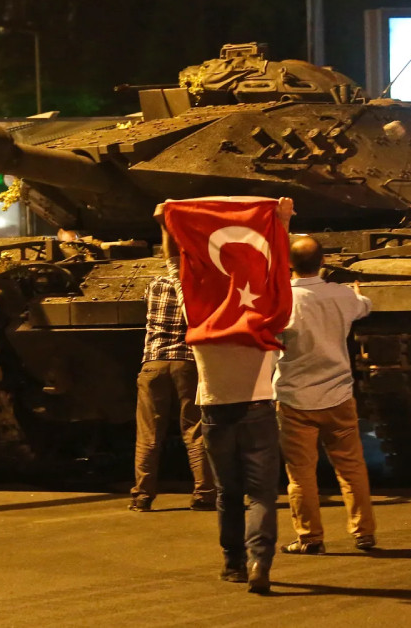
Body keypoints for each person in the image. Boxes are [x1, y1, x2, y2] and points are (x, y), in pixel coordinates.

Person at [157, 197, 294, 594]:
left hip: (216, 414)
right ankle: (259, 563)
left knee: (228, 493)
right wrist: (281, 224)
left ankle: (232, 562)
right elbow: (277, 274)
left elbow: (176, 268)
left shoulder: (199, 319)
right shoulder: (264, 319)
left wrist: (169, 226)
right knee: (262, 494)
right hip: (259, 412)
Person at [274, 236, 377, 555]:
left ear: (289, 263)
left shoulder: (280, 300)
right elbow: (364, 307)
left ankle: (310, 537)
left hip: (294, 401)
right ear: (323, 261)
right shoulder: (341, 295)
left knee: (300, 473)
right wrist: (356, 294)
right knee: (351, 467)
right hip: (338, 397)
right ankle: (363, 532)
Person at [128, 265, 215, 513]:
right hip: (187, 363)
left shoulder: (155, 285)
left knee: (148, 434)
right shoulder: (200, 286)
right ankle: (204, 493)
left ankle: (142, 496)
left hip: (153, 364)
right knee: (195, 430)